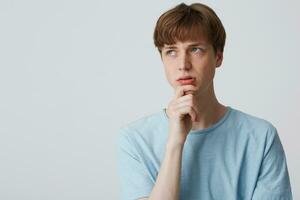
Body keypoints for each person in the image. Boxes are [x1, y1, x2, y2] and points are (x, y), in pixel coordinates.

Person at [116, 2, 293, 200]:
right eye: (171, 51)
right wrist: (175, 141)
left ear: (218, 56)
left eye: (196, 49)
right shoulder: (134, 138)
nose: (183, 64)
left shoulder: (261, 137)